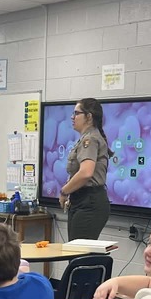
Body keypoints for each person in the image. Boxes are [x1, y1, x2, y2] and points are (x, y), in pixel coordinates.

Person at [59, 98, 111, 241]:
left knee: (79, 255)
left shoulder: (91, 139)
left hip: (89, 201)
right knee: (77, 254)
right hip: (82, 200)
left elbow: (86, 173)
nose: (72, 117)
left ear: (89, 117)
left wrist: (64, 191)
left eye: (76, 113)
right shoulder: (86, 138)